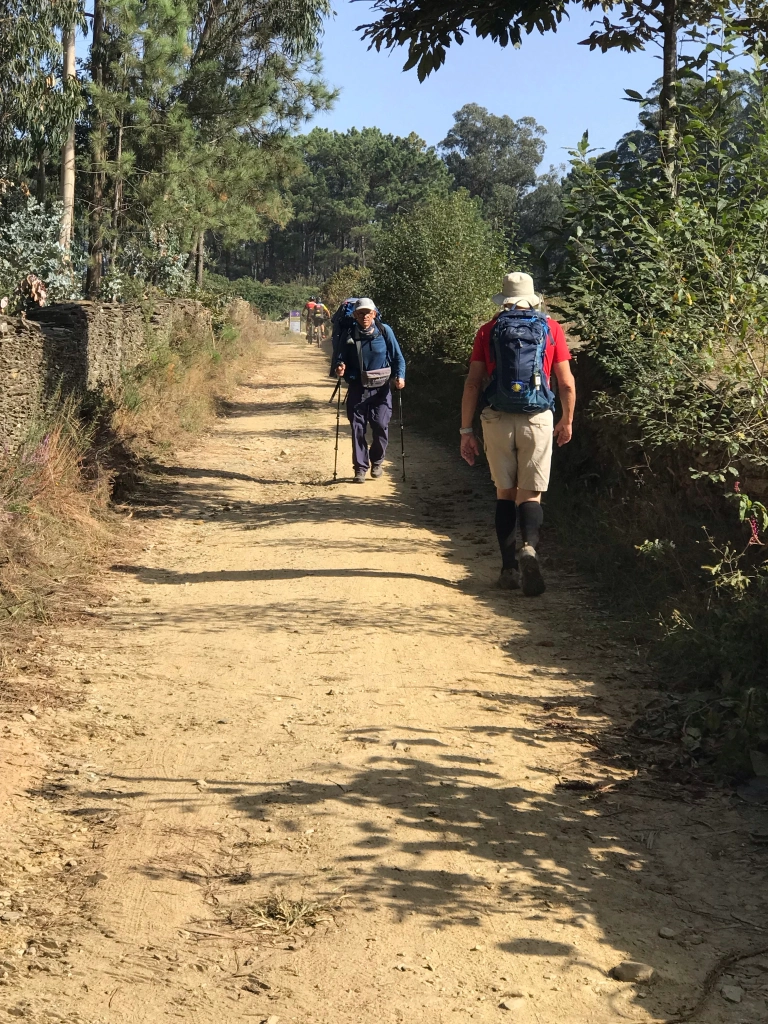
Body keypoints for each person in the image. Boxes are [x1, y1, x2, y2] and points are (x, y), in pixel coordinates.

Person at [459, 272, 576, 596]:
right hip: (537, 418)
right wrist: (566, 420)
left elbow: (472, 383)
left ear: (505, 300)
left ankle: (509, 569)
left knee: (504, 492)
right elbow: (565, 382)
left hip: (497, 418)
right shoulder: (551, 328)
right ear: (533, 298)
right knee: (531, 493)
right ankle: (529, 548)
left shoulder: (488, 330)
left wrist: (466, 431)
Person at [331, 298, 406, 483]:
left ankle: (377, 461)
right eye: (360, 313)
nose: (364, 316)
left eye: (368, 313)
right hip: (358, 388)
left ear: (374, 314)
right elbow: (339, 358)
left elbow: (398, 357)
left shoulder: (384, 331)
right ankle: (360, 468)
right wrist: (340, 367)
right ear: (355, 315)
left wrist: (400, 376)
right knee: (357, 428)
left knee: (380, 425)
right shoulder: (349, 333)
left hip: (382, 389)